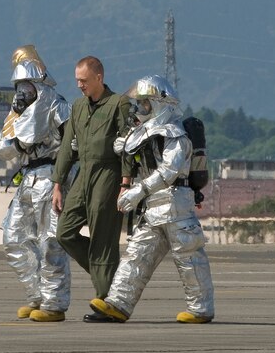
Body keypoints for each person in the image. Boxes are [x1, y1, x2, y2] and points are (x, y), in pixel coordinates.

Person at [89, 74, 215, 324]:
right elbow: (128, 154)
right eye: (140, 103)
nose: (140, 108)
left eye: (145, 103)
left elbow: (169, 172)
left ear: (158, 104)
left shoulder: (175, 135)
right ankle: (118, 303)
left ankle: (201, 309)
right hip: (153, 208)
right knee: (136, 256)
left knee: (189, 259)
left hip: (175, 206)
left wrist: (137, 191)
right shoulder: (144, 134)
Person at [0, 45, 73, 322]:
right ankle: (37, 295)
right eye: (19, 87)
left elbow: (74, 146)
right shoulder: (18, 113)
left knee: (50, 241)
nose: (22, 92)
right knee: (13, 238)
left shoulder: (59, 106)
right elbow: (1, 148)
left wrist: (63, 182)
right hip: (27, 178)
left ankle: (54, 303)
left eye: (26, 86)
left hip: (52, 178)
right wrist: (15, 137)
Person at [51, 56, 132, 322]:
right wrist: (57, 184)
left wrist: (126, 183)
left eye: (83, 81)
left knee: (103, 238)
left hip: (108, 174)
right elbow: (66, 147)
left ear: (99, 77)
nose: (79, 85)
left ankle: (107, 300)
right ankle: (111, 276)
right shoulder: (77, 107)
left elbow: (128, 145)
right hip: (83, 173)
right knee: (64, 232)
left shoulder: (118, 104)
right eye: (76, 81)